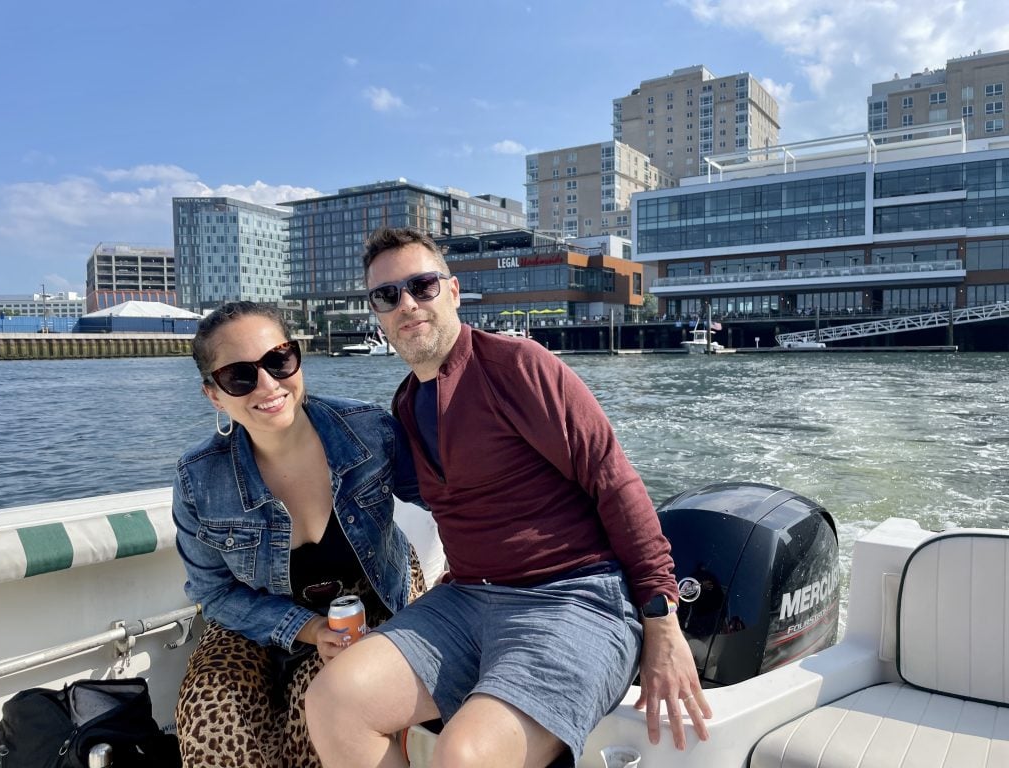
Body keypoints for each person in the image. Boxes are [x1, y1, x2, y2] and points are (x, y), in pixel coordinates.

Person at [306, 228, 711, 768]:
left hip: (574, 596)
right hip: (469, 598)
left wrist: (662, 622)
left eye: (421, 286)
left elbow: (614, 481)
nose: (407, 304)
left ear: (452, 292)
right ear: (376, 314)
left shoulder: (517, 366)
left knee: (465, 754)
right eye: (387, 295)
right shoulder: (406, 404)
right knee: (334, 701)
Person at [172, 301, 426, 768]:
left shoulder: (368, 432)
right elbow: (214, 592)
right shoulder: (199, 479)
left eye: (278, 360)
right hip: (255, 610)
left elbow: (447, 500)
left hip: (366, 596)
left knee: (320, 716)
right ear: (214, 394)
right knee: (212, 721)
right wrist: (306, 629)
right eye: (240, 376)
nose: (268, 385)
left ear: (297, 358)